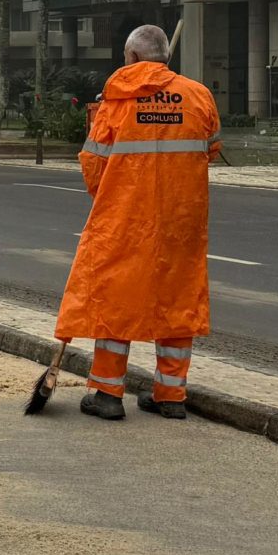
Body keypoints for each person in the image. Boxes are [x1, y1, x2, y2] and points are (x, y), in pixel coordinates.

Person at [52, 22, 222, 422]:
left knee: (116, 297)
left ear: (131, 56)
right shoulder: (199, 96)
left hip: (125, 218)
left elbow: (93, 163)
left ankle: (108, 394)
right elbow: (211, 150)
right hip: (182, 220)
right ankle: (171, 395)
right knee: (178, 299)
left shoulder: (116, 101)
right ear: (165, 57)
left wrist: (110, 197)